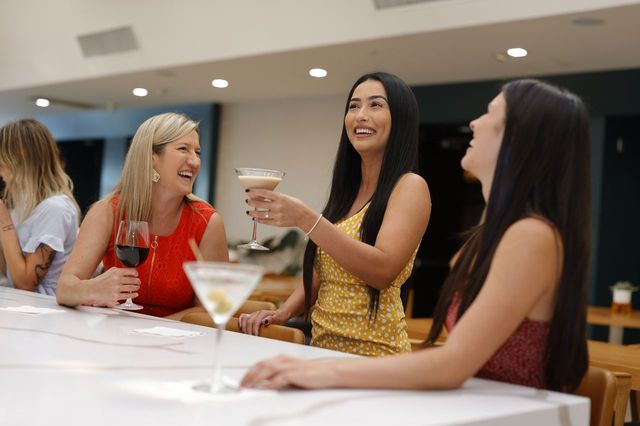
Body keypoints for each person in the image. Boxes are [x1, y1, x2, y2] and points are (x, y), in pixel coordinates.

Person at [241, 79, 591, 393]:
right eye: (354, 105)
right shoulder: (495, 233)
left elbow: (453, 364)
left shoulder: (530, 235)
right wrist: (293, 323)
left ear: (522, 139)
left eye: (490, 114)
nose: (473, 122)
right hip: (477, 407)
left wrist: (325, 371)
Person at [238, 72, 431, 356]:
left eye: (375, 105)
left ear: (400, 119)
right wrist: (283, 313)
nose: (360, 115)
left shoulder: (410, 186)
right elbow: (323, 268)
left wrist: (306, 219)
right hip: (321, 350)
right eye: (353, 106)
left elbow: (382, 271)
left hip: (375, 356)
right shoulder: (348, 192)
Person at [56, 112, 229, 319]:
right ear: (151, 158)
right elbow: (65, 289)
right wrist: (93, 289)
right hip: (111, 339)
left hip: (179, 344)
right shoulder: (108, 212)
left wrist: (151, 329)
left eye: (198, 152)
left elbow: (213, 307)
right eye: (183, 149)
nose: (195, 161)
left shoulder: (207, 223)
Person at [0, 119, 80, 296]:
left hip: (42, 314)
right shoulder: (23, 208)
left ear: (20, 162)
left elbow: (26, 283)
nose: (0, 172)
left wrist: (4, 221)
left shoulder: (56, 209)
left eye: (2, 163)